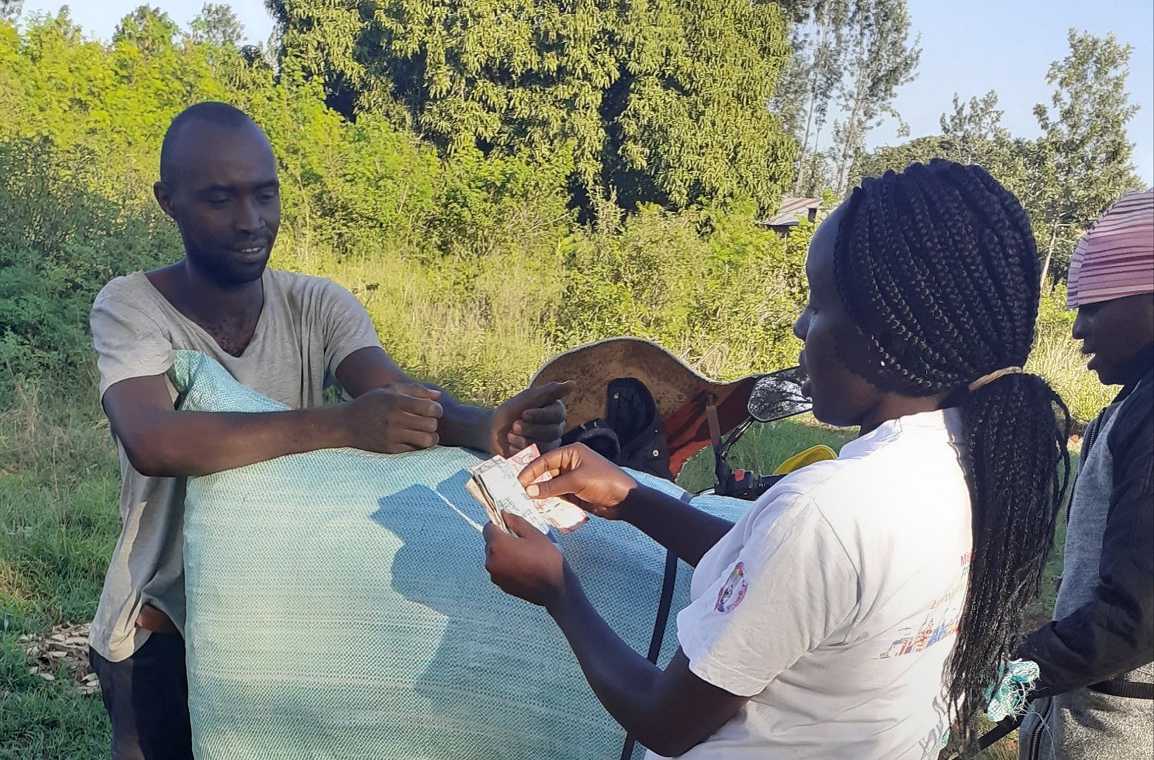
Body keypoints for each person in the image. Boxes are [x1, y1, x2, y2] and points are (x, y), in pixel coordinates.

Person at [482, 159, 1072, 758]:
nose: (799, 327)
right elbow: (792, 573)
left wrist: (556, 587)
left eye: (817, 305)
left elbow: (664, 720)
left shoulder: (828, 510)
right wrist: (635, 499)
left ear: (887, 340)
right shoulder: (971, 464)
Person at [86, 101, 569, 760]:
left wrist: (484, 426)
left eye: (265, 194)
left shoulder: (317, 304)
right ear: (167, 201)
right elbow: (153, 439)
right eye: (220, 199)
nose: (251, 222)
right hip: (158, 623)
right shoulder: (131, 307)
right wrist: (341, 424)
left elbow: (392, 394)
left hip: (274, 615)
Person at [1017, 188, 1154, 759]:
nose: (1077, 329)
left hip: (1113, 726)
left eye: (1093, 307)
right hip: (1077, 704)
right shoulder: (1132, 405)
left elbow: (1134, 615)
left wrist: (1009, 675)